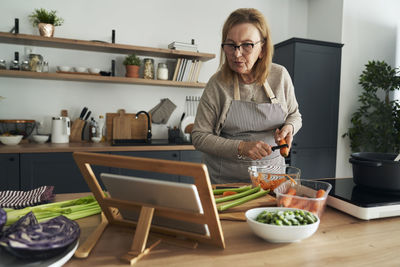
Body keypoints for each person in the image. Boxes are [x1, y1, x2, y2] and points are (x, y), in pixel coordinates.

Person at [191, 8, 302, 184]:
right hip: (225, 182)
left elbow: (294, 115)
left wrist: (289, 127)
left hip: (271, 179)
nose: (236, 53)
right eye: (230, 45)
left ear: (263, 49)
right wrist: (241, 147)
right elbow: (199, 136)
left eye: (247, 45)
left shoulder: (280, 76)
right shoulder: (217, 83)